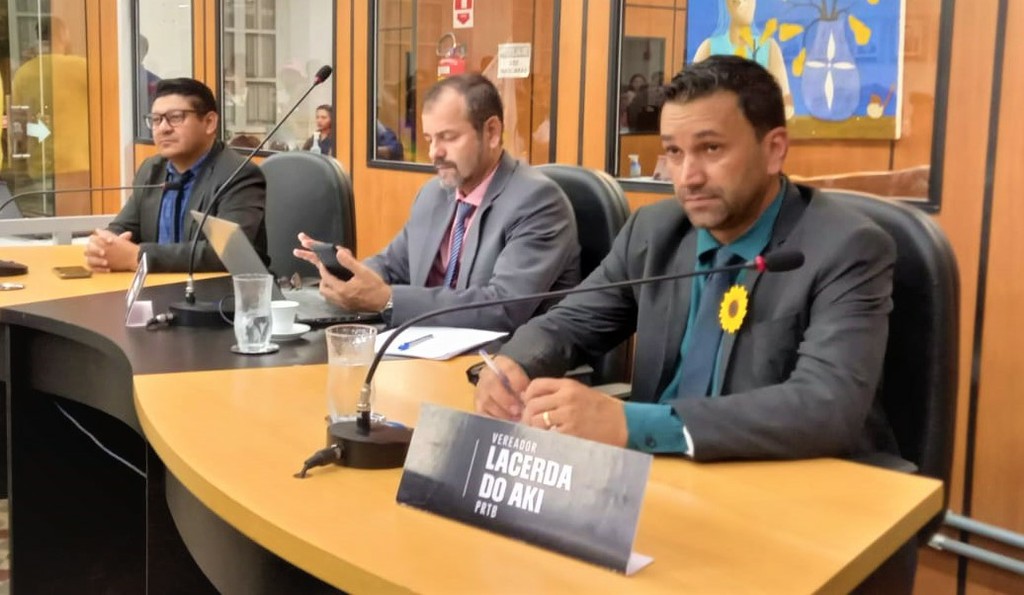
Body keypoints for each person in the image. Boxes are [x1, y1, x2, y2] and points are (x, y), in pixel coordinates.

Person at [294, 73, 580, 332]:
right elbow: (393, 265)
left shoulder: (537, 202)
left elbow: (502, 308)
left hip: (501, 361)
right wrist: (349, 274)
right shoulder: (434, 194)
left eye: (448, 138)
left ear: (492, 132)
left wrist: (388, 299)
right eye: (429, 139)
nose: (434, 153)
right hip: (423, 349)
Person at [84, 78, 268, 273]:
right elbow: (123, 227)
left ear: (209, 122)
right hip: (157, 285)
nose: (163, 128)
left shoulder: (239, 174)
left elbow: (228, 252)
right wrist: (103, 246)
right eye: (156, 120)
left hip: (219, 288)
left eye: (175, 117)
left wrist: (139, 257)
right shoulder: (151, 169)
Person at [693, 0, 791, 103]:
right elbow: (690, 100)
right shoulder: (708, 48)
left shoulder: (770, 48)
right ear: (727, 3)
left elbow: (786, 103)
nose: (747, 4)